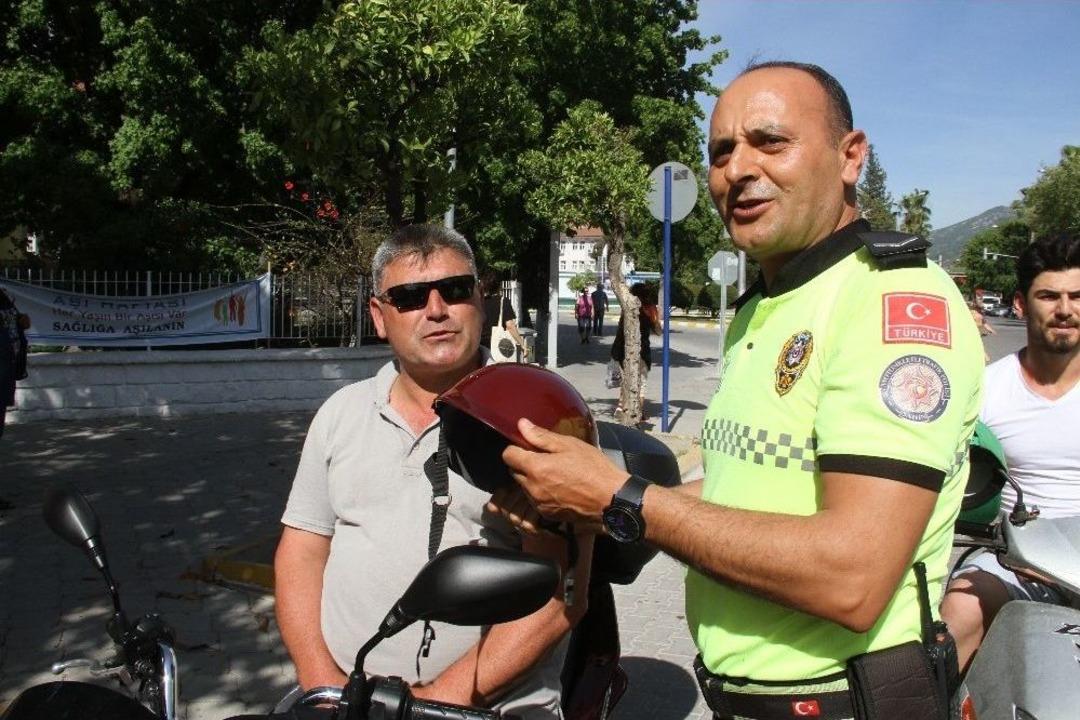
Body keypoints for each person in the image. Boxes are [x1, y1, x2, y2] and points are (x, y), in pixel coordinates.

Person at [498, 61, 983, 718]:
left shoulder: (892, 301)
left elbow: (853, 578)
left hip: (845, 703)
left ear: (850, 157)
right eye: (721, 152)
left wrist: (621, 495)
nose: (737, 169)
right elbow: (743, 488)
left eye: (770, 142)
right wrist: (589, 511)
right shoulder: (764, 309)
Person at [275, 224, 588, 719]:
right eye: (411, 297)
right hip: (346, 701)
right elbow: (302, 553)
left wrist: (437, 701)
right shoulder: (340, 413)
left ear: (481, 300)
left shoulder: (540, 417)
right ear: (379, 317)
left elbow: (560, 599)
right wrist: (322, 682)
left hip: (491, 707)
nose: (436, 309)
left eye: (456, 289)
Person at [941, 233, 1080, 673]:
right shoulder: (984, 390)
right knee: (953, 622)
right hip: (1013, 562)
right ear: (1022, 304)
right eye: (1049, 296)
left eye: (1077, 296)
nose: (1064, 309)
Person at [610, 284, 660, 420]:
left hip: (623, 351)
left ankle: (621, 408)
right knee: (641, 384)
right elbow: (658, 330)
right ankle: (638, 412)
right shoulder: (650, 309)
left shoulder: (627, 308)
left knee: (626, 380)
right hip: (642, 352)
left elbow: (621, 331)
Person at [0, 287, 29, 438]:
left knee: (2, 400)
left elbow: (15, 318)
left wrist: (21, 320)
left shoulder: (5, 295)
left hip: (10, 359)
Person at [479, 270, 526, 360]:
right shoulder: (503, 301)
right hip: (497, 345)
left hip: (480, 348)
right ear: (499, 286)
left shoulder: (479, 302)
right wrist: (522, 344)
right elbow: (510, 326)